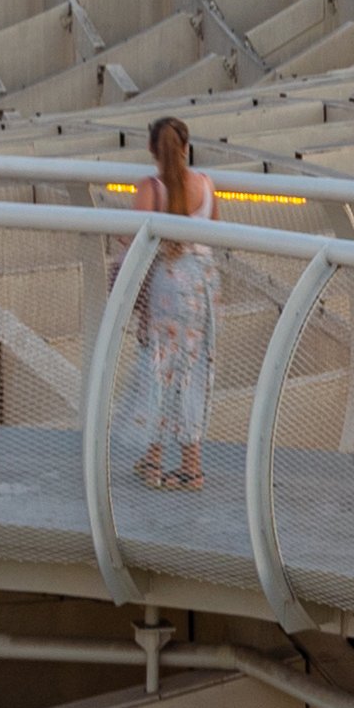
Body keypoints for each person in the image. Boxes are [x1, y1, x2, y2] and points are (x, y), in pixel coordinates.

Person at [116, 116, 217, 492]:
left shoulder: (151, 189)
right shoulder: (206, 185)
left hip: (167, 287)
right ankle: (192, 465)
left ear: (151, 150)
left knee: (157, 369)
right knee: (192, 373)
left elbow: (135, 246)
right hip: (204, 286)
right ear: (187, 147)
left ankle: (155, 460)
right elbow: (215, 232)